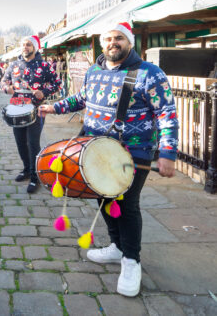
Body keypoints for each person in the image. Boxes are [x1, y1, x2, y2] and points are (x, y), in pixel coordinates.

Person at [39, 22, 178, 297]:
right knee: (103, 198)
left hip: (132, 152)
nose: (113, 43)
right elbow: (82, 98)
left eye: (119, 38)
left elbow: (167, 114)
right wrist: (54, 107)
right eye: (108, 39)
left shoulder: (150, 74)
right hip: (95, 148)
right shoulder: (95, 70)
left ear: (130, 42)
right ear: (102, 44)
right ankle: (117, 246)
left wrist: (168, 153)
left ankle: (131, 261)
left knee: (126, 205)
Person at [1, 35, 61, 193]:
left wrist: (44, 92)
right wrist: (6, 88)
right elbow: (3, 81)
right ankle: (27, 169)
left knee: (33, 143)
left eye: (28, 45)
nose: (25, 47)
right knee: (20, 142)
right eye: (23, 45)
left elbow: (57, 83)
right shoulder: (14, 64)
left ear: (35, 47)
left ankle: (36, 176)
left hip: (36, 109)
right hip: (16, 109)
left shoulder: (44, 65)